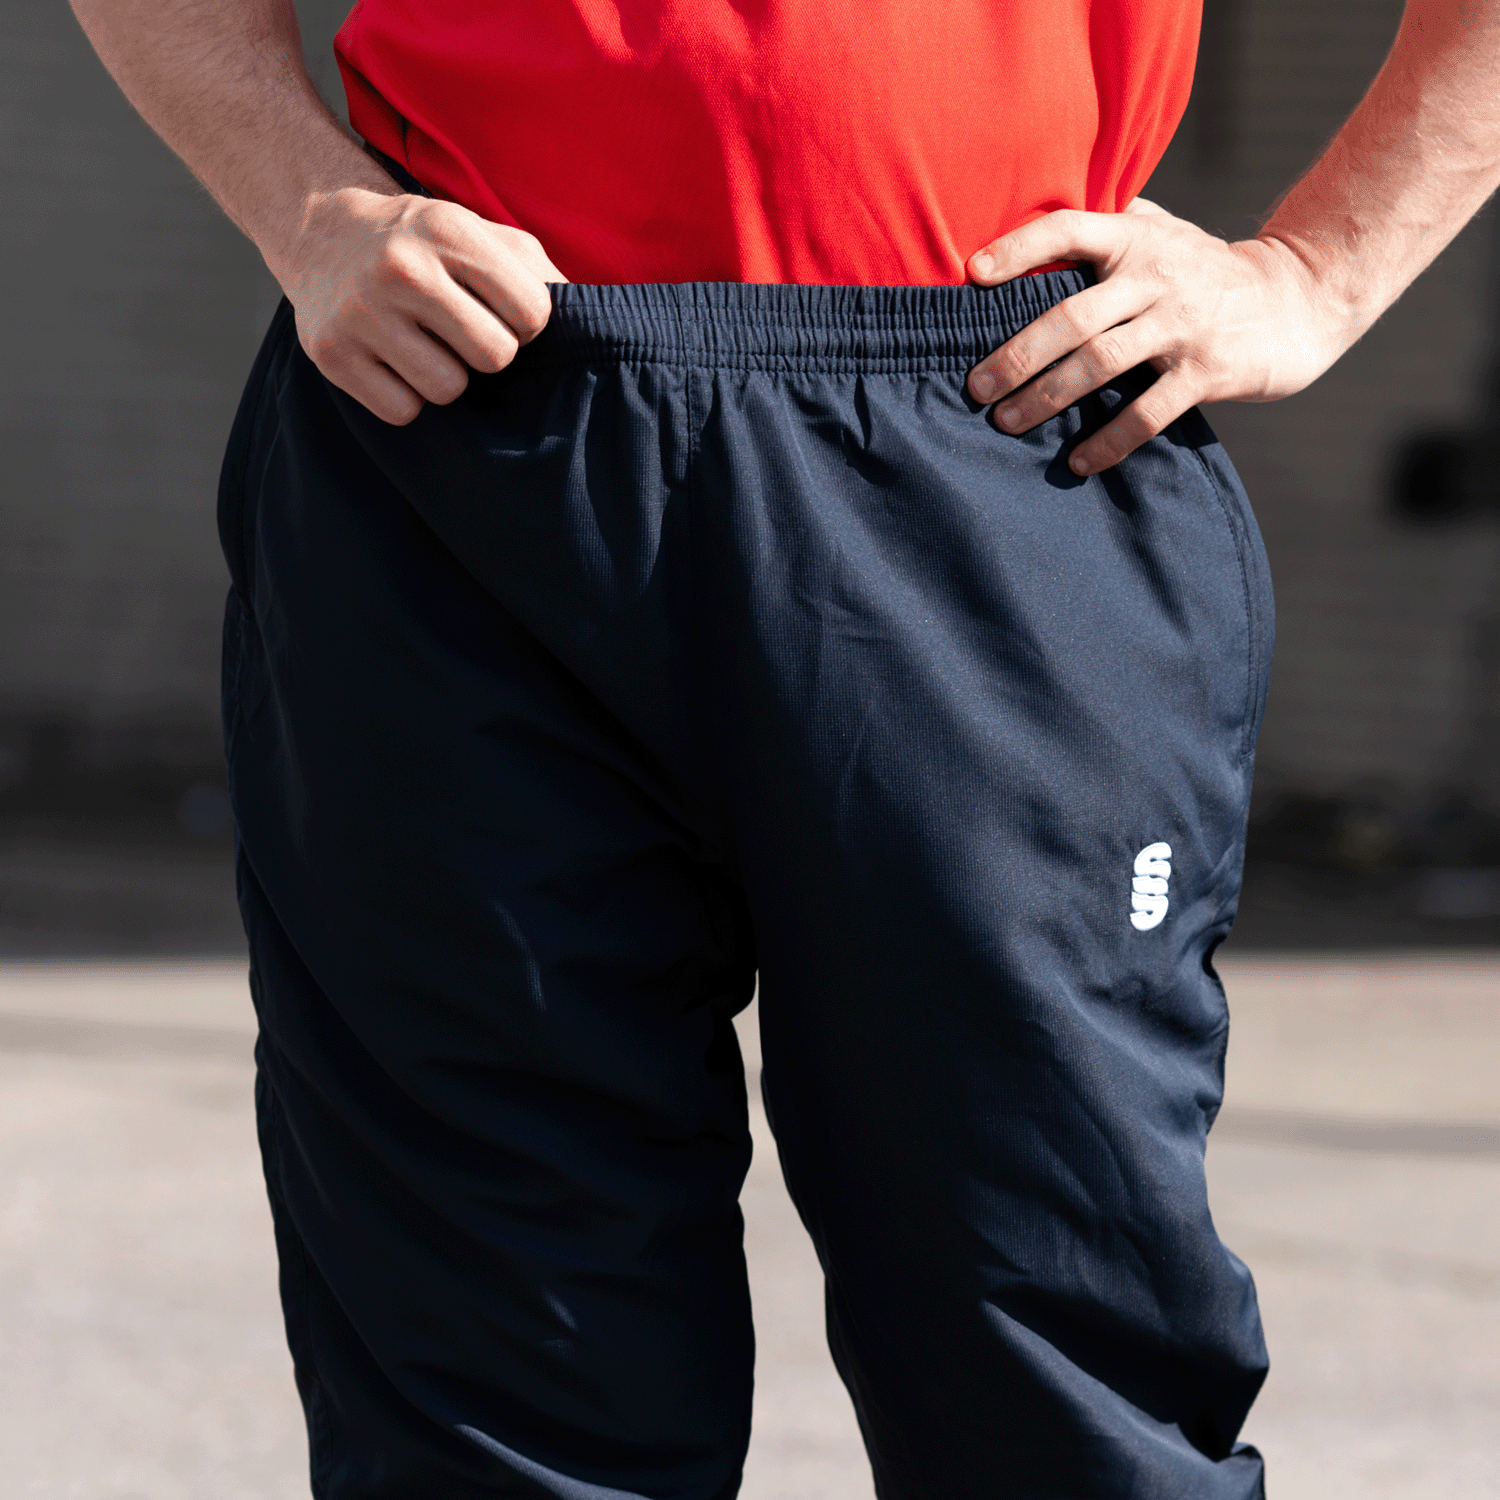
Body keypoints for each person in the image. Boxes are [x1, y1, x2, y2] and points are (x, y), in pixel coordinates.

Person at [67, 1, 1500, 1496]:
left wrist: (1315, 274)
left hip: (997, 425)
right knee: (490, 1397)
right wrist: (305, 202)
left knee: (1059, 1368)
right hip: (465, 417)